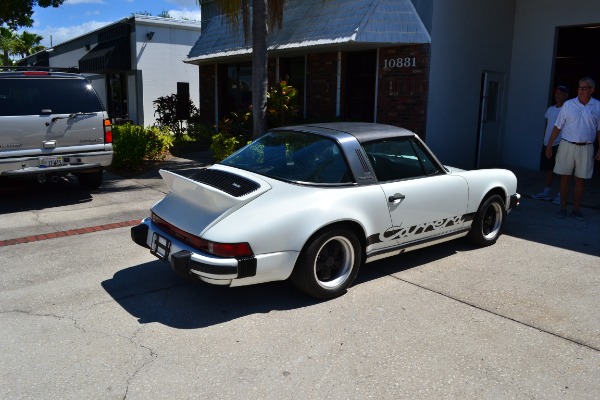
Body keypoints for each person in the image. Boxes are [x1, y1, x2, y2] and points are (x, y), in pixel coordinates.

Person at [545, 77, 600, 220]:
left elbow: (599, 130)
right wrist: (549, 145)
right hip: (567, 145)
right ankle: (563, 208)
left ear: (591, 90)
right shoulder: (568, 105)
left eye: (584, 88)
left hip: (586, 147)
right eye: (579, 88)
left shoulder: (597, 106)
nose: (581, 91)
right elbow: (558, 126)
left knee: (580, 180)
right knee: (565, 178)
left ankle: (576, 209)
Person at [532, 85, 569, 203]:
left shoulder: (567, 110)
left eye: (561, 93)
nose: (558, 96)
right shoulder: (551, 109)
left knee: (562, 171)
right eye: (556, 93)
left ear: (566, 95)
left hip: (560, 144)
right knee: (549, 169)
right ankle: (546, 192)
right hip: (548, 144)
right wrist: (546, 141)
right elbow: (548, 126)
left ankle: (560, 195)